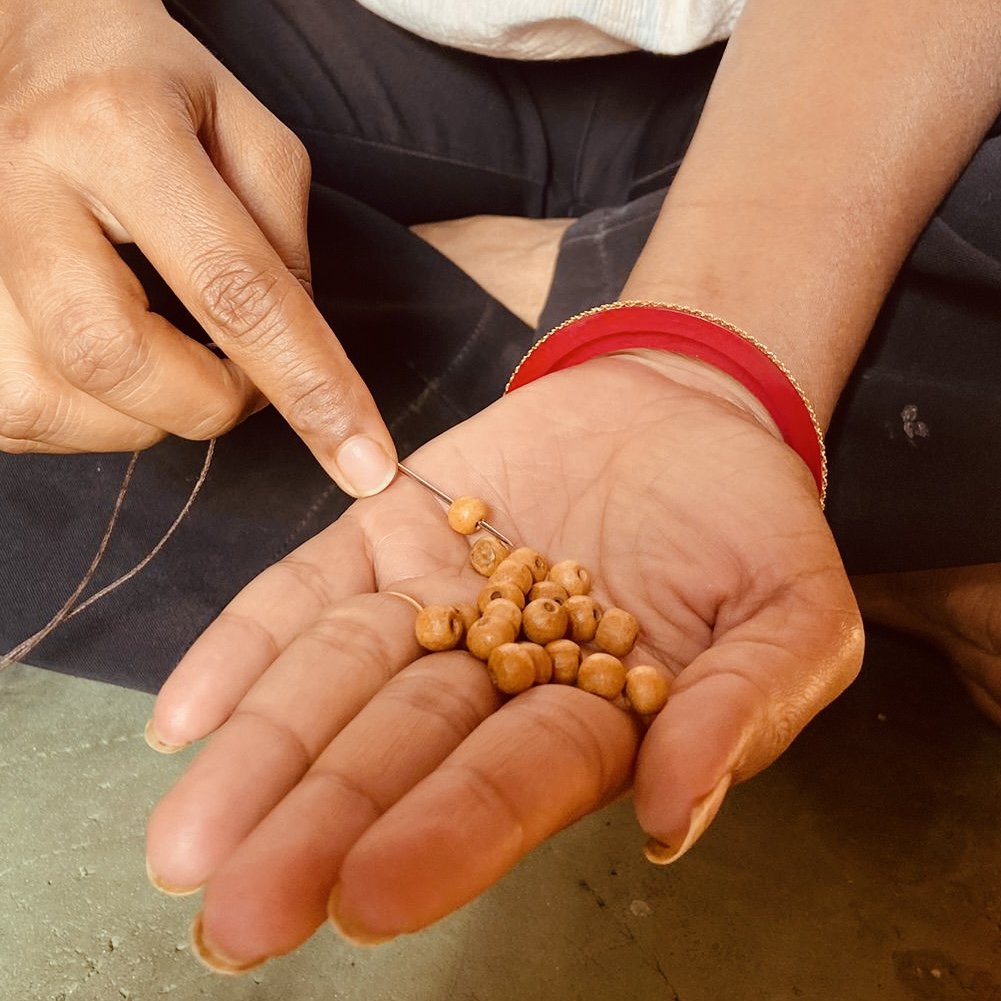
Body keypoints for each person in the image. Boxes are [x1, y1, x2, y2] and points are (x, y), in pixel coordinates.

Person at [1, 0, 1000, 974]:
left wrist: (710, 341)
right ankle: (867, 516)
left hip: (840, 86)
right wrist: (40, 28)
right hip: (320, 49)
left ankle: (478, 293)